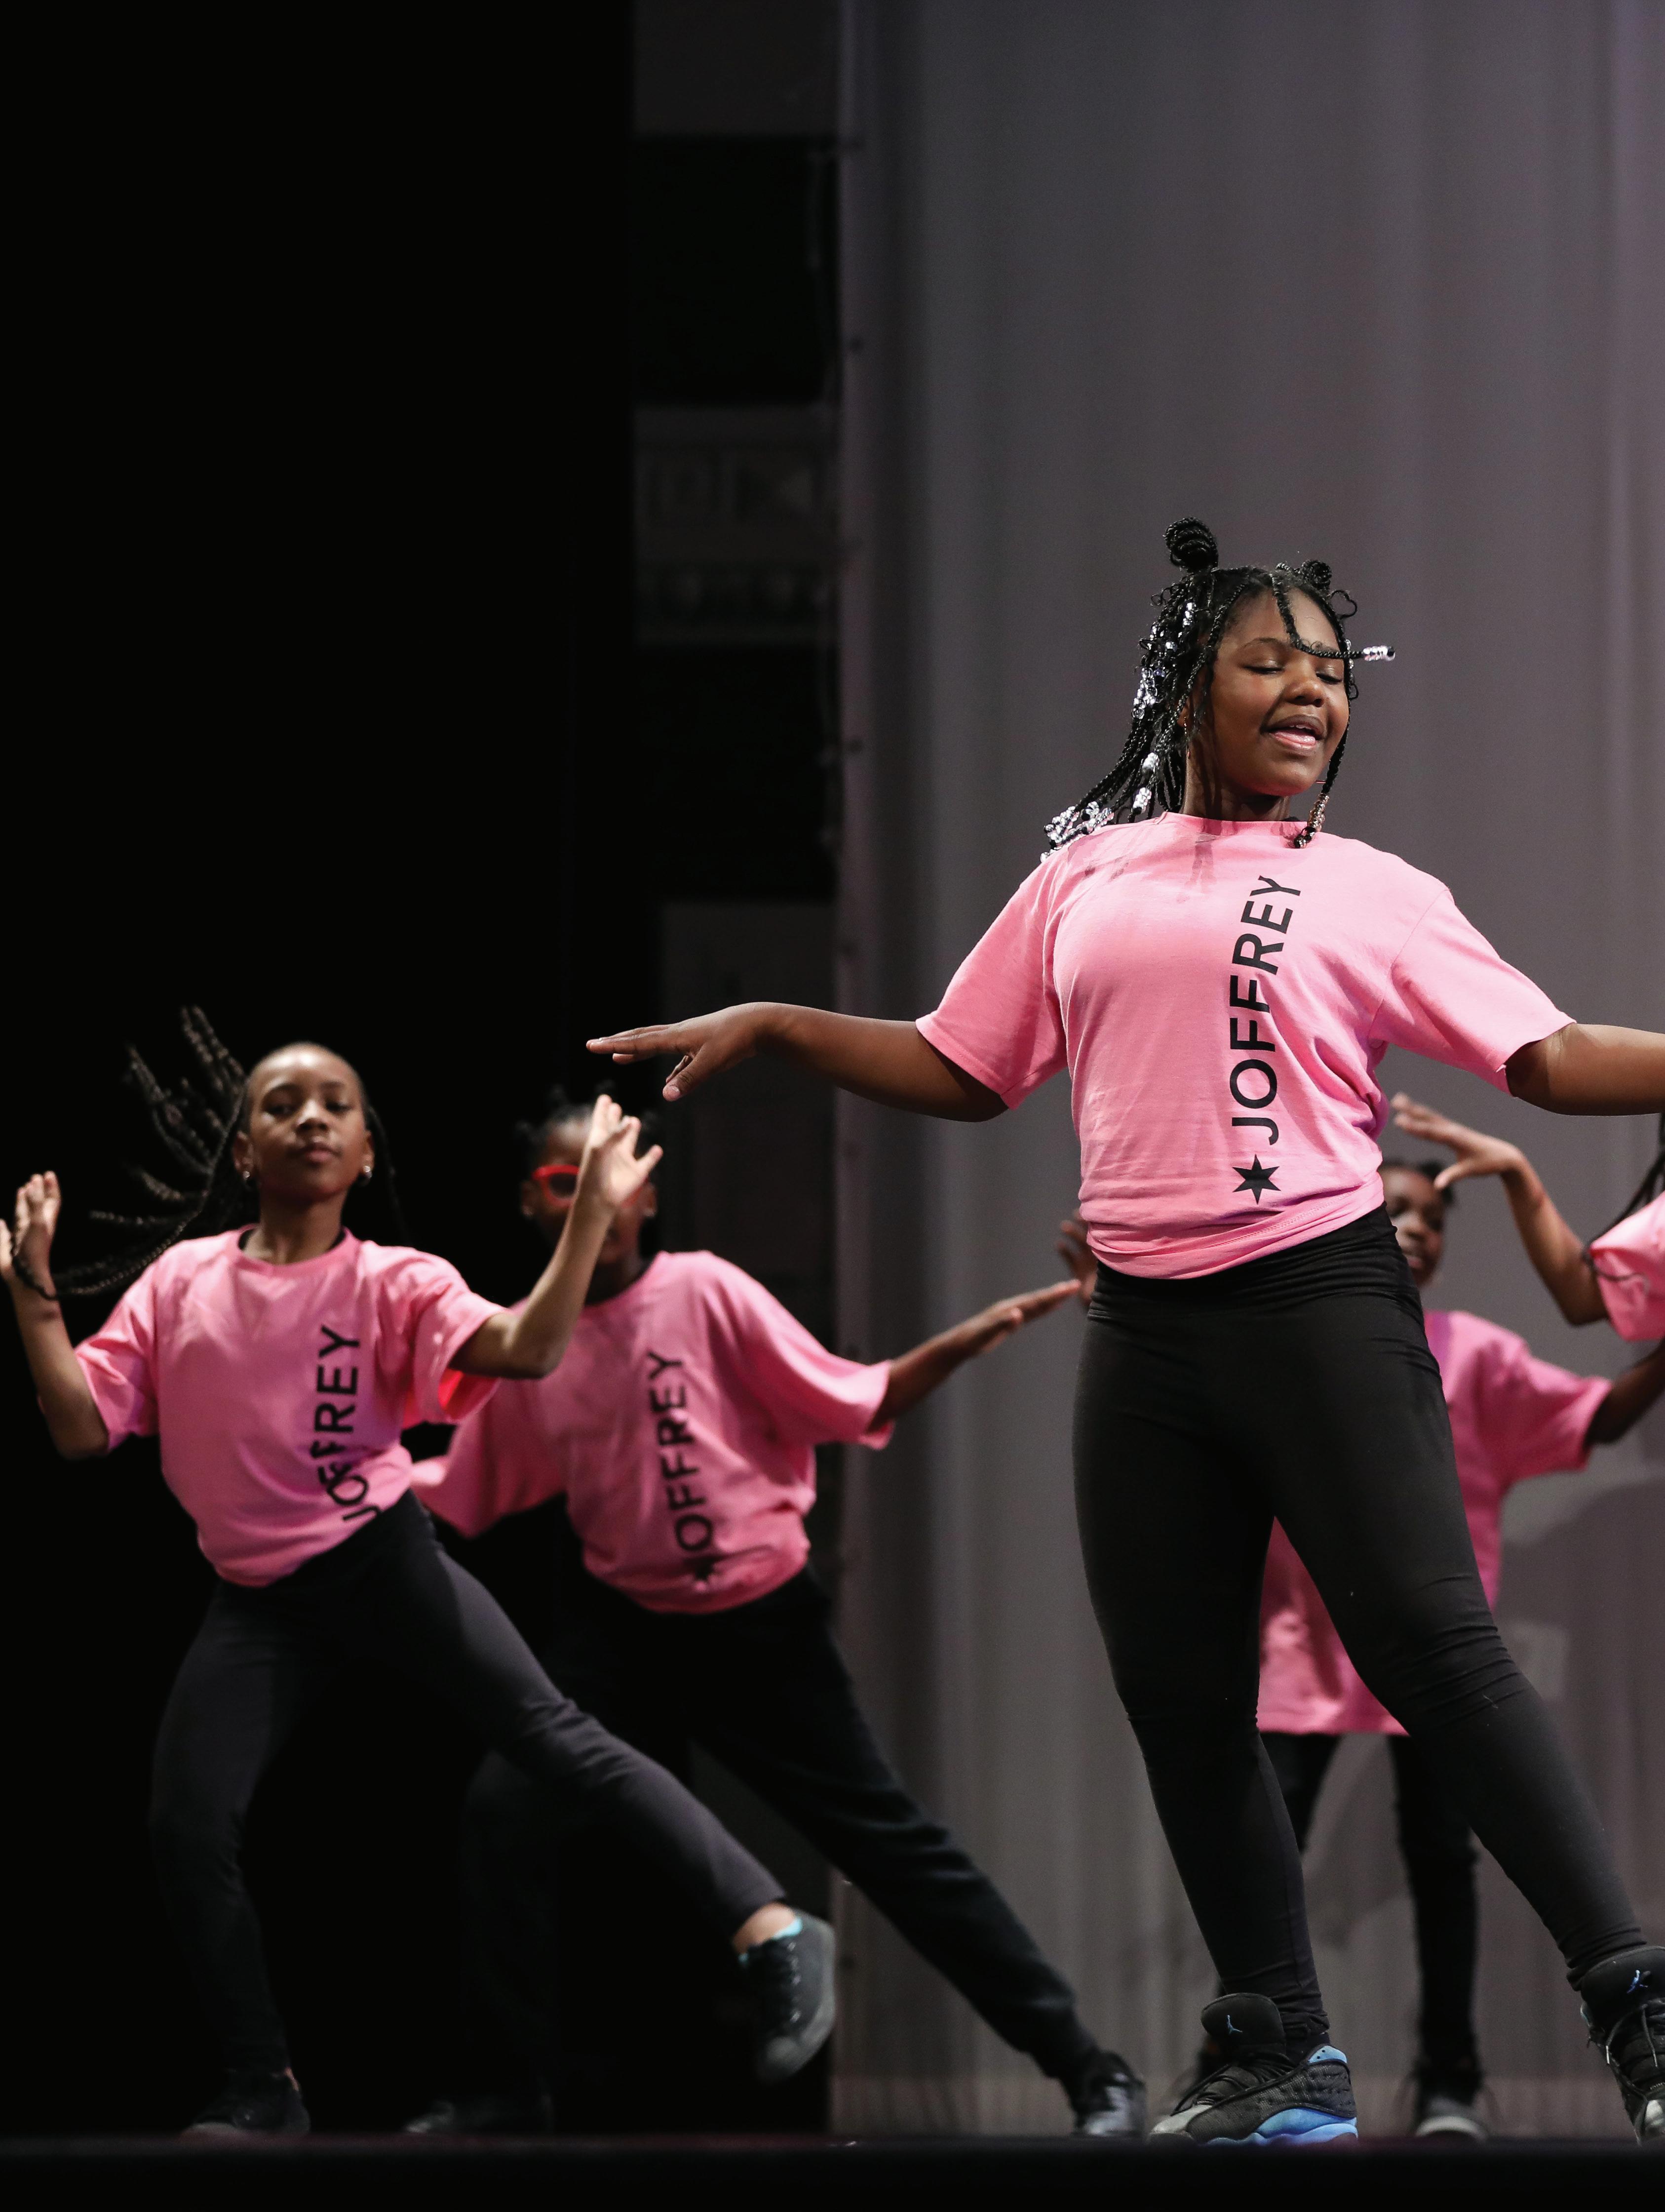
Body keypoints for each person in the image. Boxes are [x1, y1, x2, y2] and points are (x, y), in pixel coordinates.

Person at [586, 517, 1665, 2145]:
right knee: (1178, 1694)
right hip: (1147, 1340)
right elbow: (964, 1063)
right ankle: (1276, 2051)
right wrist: (781, 1022)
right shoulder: (1081, 876)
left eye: (1329, 671)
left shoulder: (1367, 890)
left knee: (1436, 1656)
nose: (1309, 690)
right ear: (1182, 691)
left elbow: (1551, 1056)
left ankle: (1634, 2001)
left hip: (1316, 1305)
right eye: (1267, 660)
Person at [1, 1015, 832, 2136]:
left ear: (364, 1154)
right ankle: (262, 2087)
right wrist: (35, 1299)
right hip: (258, 1601)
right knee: (185, 1824)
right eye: (282, 1105)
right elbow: (79, 1429)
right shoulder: (180, 1283)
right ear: (243, 1152)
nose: (310, 1119)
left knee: (554, 1737)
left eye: (335, 1106)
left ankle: (771, 1928)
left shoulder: (395, 1282)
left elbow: (529, 1350)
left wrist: (589, 1216)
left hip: (378, 1561)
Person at [402, 1088, 1147, 2137]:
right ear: (532, 1202)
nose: (591, 1201)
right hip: (626, 1632)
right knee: (502, 1810)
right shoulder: (533, 1340)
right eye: (565, 1184)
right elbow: (463, 1486)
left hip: (760, 1628)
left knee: (892, 1849)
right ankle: (505, 2095)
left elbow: (851, 1398)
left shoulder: (704, 1289)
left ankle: (1090, 2070)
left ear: (644, 1196)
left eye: (608, 1180)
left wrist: (964, 1341)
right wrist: (329, 1474)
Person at [1058, 1138, 1663, 2138]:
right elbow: (1203, 1426)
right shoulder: (1273, 1335)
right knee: (1261, 1836)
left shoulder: (1468, 1352)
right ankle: (1258, 2057)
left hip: (1423, 1665)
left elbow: (1590, 1415)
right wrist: (1141, 1327)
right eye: (1396, 1208)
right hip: (1304, 1660)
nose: (1414, 1228)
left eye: (1431, 1216)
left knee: (1440, 1865)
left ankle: (1449, 2080)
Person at [1392, 1097, 1665, 1344]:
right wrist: (1515, 1169)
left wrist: (1515, 1169)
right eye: (1394, 1211)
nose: (1417, 1230)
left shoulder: (1468, 1346)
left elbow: (1587, 1296)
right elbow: (1586, 1295)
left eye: (1435, 1223)